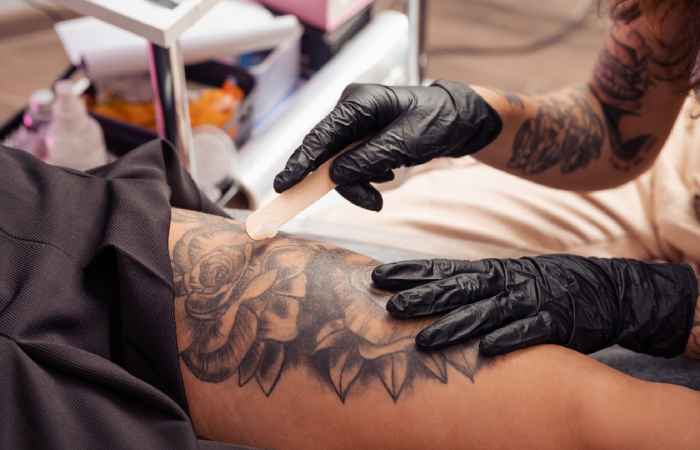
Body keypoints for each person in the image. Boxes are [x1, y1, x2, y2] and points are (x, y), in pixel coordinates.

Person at [272, 0, 700, 358]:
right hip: (677, 173)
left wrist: (647, 302)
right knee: (330, 255)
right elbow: (614, 125)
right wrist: (475, 116)